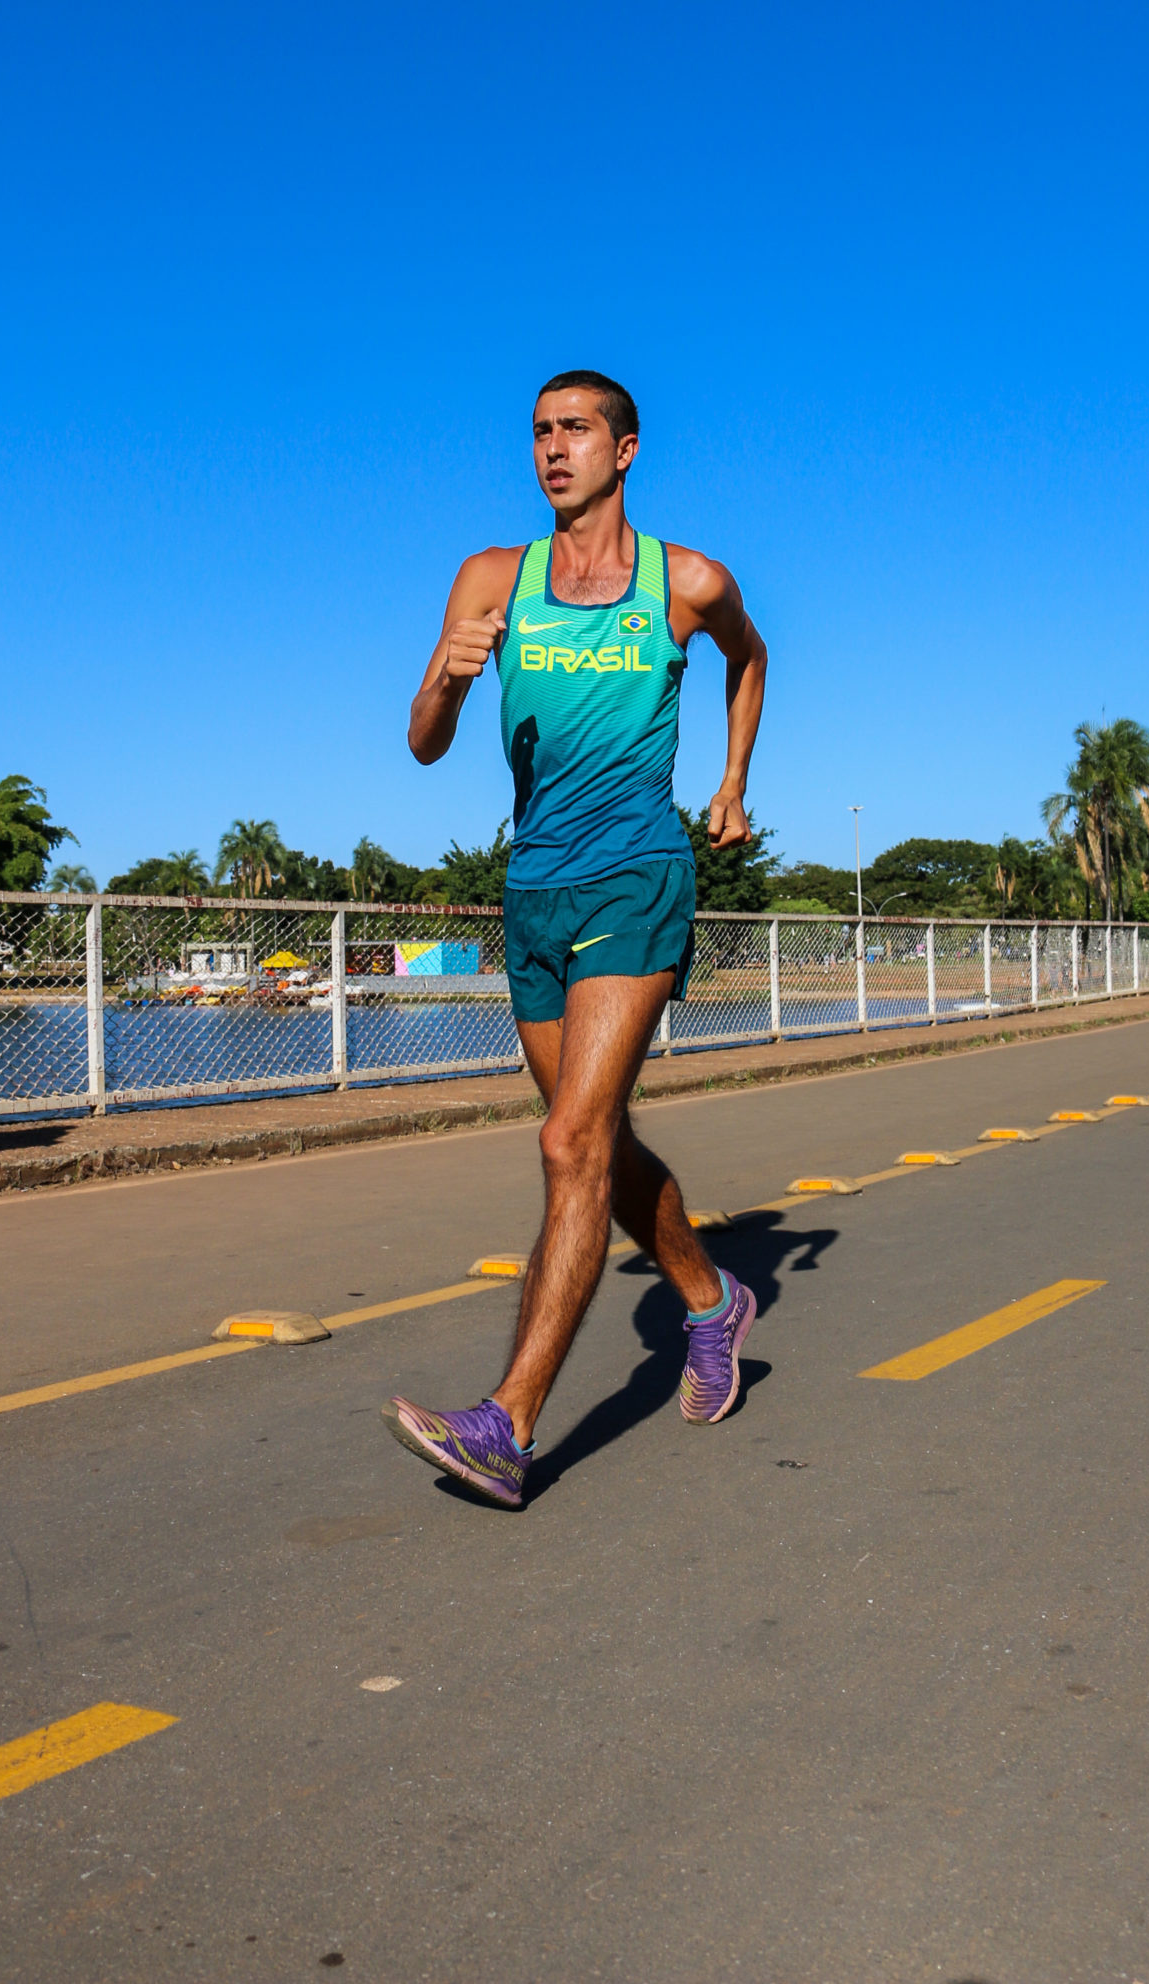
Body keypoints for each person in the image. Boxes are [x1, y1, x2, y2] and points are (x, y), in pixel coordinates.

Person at [381, 369, 769, 1508]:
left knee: (566, 1147)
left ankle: (506, 1425)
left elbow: (751, 659)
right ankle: (711, 1300)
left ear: (626, 448)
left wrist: (734, 777)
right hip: (534, 886)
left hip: (639, 876)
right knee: (589, 1143)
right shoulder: (492, 579)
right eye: (540, 432)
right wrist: (448, 684)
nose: (554, 450)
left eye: (576, 430)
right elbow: (420, 741)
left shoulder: (686, 582)